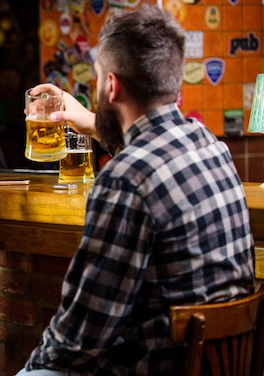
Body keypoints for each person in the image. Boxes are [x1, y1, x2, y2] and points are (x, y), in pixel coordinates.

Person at [18, 4, 255, 375]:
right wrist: (90, 122)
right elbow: (150, 152)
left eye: (97, 79)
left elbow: (80, 337)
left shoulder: (124, 179)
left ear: (111, 85)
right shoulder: (209, 145)